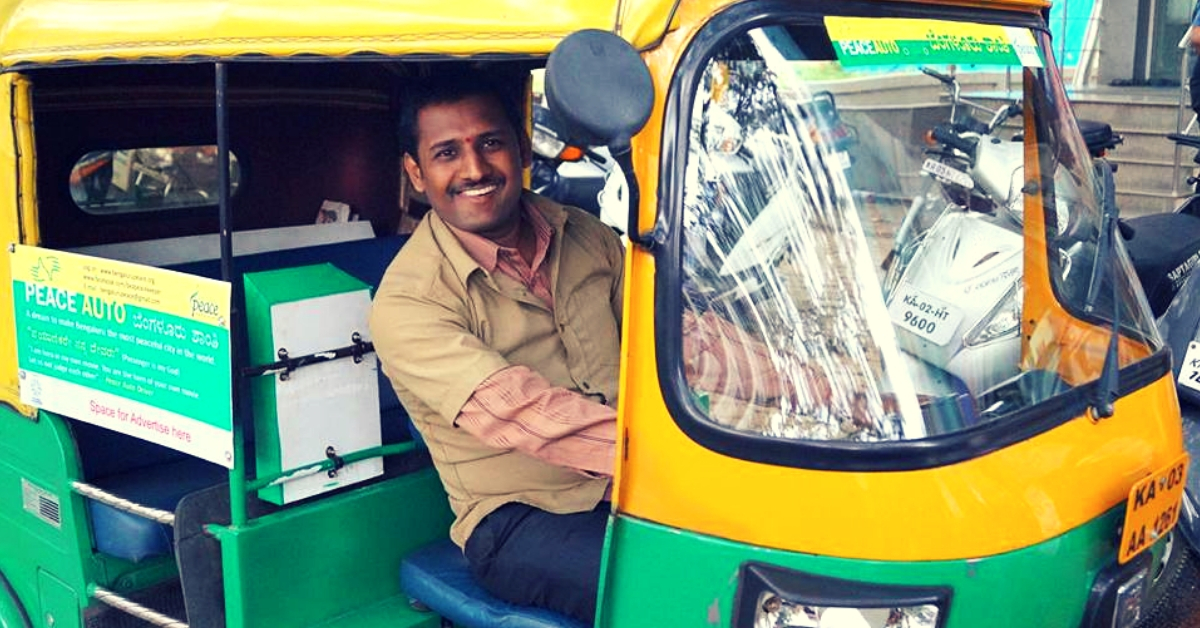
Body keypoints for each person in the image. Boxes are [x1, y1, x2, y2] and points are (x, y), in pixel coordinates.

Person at [369, 70, 623, 623]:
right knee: (683, 587)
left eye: (489, 143)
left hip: (632, 490)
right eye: (446, 153)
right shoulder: (407, 302)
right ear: (416, 173)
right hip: (520, 521)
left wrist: (815, 389)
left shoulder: (588, 234)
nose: (475, 169)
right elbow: (522, 412)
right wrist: (673, 461)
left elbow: (687, 344)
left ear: (522, 147)